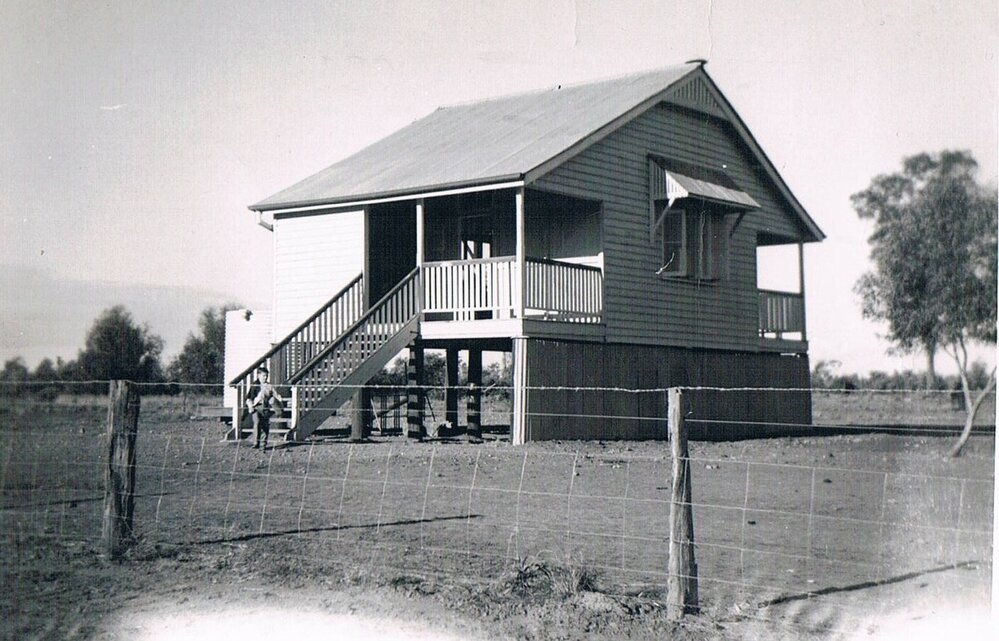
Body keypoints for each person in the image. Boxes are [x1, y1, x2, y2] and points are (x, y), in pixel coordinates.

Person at [245, 366, 285, 449]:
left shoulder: (269, 386)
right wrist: (250, 406)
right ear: (258, 376)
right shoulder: (255, 385)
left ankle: (263, 444)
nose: (265, 377)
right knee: (257, 423)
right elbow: (249, 397)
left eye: (266, 376)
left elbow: (275, 394)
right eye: (263, 376)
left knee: (265, 425)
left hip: (265, 407)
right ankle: (256, 442)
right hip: (256, 407)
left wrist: (279, 399)